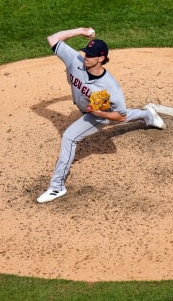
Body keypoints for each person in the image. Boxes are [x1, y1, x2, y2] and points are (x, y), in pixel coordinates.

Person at [36, 27, 166, 203]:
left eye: (90, 55)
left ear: (101, 58)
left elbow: (120, 117)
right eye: (86, 52)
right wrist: (80, 31)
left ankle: (57, 187)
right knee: (123, 114)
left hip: (97, 115)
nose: (85, 56)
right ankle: (148, 115)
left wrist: (97, 112)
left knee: (69, 137)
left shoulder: (111, 87)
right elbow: (53, 38)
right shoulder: (76, 61)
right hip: (89, 109)